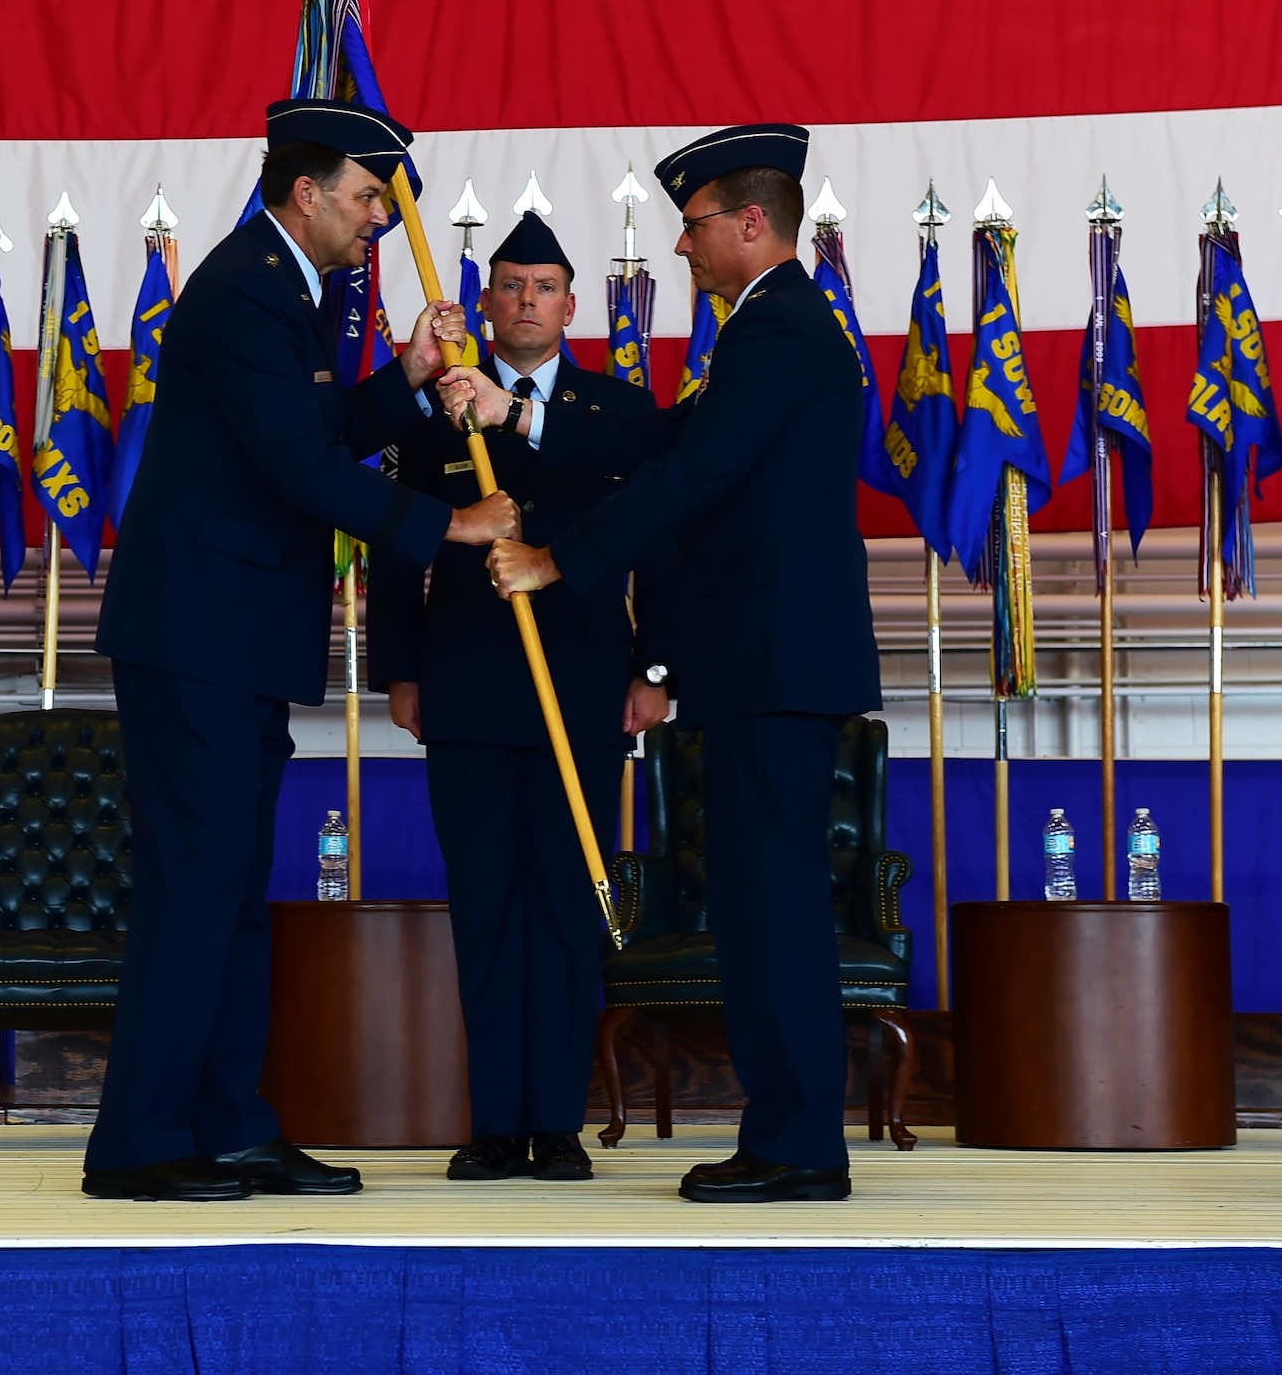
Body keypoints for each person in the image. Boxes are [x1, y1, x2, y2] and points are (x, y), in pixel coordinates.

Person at [87, 100, 519, 1202]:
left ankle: (231, 1126)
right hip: (199, 638)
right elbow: (297, 470)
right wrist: (445, 527)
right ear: (305, 193)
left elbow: (306, 433)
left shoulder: (286, 287)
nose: (381, 217)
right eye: (369, 196)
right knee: (196, 889)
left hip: (232, 639)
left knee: (229, 890)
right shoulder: (246, 290)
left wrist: (405, 377)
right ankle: (139, 1146)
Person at [481, 124, 880, 1203]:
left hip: (774, 665)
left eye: (694, 224)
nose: (681, 246)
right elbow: (657, 444)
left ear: (752, 223)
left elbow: (689, 477)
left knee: (773, 906)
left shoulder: (779, 330)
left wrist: (558, 561)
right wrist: (519, 411)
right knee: (755, 902)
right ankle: (787, 1134)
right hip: (755, 664)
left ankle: (798, 1145)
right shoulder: (769, 329)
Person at [371, 210, 674, 1184]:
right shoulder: (442, 409)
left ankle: (556, 1121)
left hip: (583, 686)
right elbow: (396, 544)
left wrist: (654, 669)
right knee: (488, 909)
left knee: (565, 907)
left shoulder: (617, 411)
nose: (525, 302)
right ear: (486, 303)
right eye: (508, 286)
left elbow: (656, 539)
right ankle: (497, 1121)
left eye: (543, 287)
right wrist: (401, 669)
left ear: (571, 304)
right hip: (465, 685)